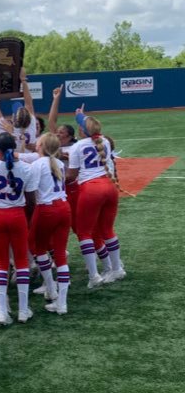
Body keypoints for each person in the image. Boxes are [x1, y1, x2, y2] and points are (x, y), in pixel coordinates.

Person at [0, 132, 37, 325]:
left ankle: (2, 312)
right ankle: (22, 309)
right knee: (21, 262)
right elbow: (31, 201)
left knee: (1, 263)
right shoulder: (27, 169)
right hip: (17, 215)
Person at [66, 108, 127, 288]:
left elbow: (71, 175)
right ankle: (116, 269)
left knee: (85, 233)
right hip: (110, 187)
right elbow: (90, 127)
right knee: (108, 230)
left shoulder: (77, 146)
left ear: (83, 130)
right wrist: (80, 115)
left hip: (91, 190)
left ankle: (94, 275)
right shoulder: (105, 141)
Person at [28, 133, 71, 314]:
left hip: (46, 209)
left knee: (37, 247)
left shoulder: (37, 165)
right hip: (64, 207)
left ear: (42, 146)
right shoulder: (58, 163)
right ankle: (61, 301)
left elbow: (30, 191)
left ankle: (51, 287)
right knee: (60, 254)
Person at [0, 68, 37, 153]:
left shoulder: (3, 128)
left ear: (13, 118)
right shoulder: (31, 126)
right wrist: (23, 80)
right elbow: (29, 103)